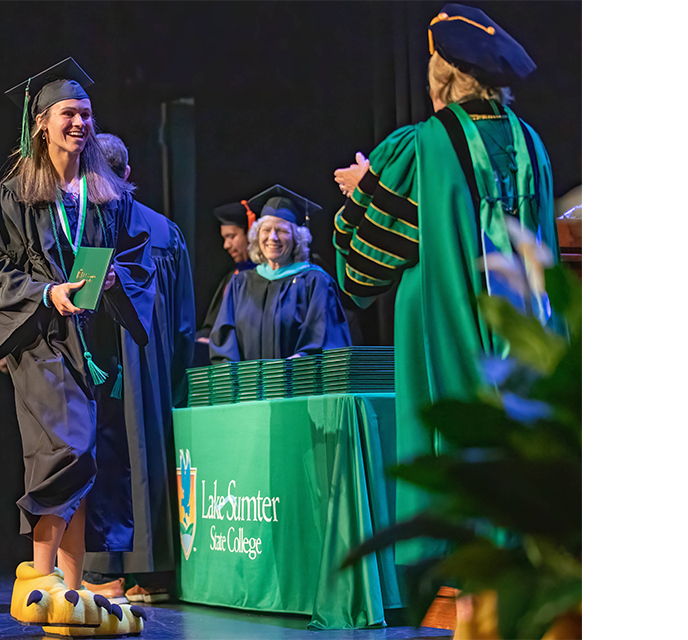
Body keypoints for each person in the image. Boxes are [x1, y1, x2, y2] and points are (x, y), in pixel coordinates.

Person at [331, 4, 558, 559]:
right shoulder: (532, 143)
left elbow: (363, 269)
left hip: (447, 323)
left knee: (456, 454)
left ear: (441, 80)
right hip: (527, 331)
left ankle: (466, 598)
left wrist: (363, 188)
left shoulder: (423, 145)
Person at [0, 58, 148, 636]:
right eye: (69, 114)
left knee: (82, 459)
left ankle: (68, 594)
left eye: (87, 114)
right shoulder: (16, 193)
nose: (80, 123)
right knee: (63, 452)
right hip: (39, 339)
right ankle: (39, 581)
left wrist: (116, 277)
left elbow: (134, 256)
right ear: (42, 123)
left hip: (89, 342)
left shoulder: (104, 193)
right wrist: (46, 292)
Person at [82, 133, 195, 605]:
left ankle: (107, 573)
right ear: (129, 174)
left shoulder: (83, 231)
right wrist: (173, 376)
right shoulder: (166, 231)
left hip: (103, 374)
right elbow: (186, 325)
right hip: (152, 373)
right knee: (153, 458)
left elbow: (79, 312)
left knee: (106, 460)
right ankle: (155, 573)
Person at [209, 184, 352, 362]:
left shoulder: (314, 282)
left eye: (282, 230)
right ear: (256, 235)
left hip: (299, 384)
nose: (272, 238)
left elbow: (325, 339)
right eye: (266, 230)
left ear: (297, 239)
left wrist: (295, 366)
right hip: (248, 387)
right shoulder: (240, 283)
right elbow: (224, 344)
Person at [195, 201, 256, 354]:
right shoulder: (232, 278)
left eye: (231, 236)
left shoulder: (263, 278)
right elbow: (212, 325)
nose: (226, 245)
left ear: (251, 233)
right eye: (224, 238)